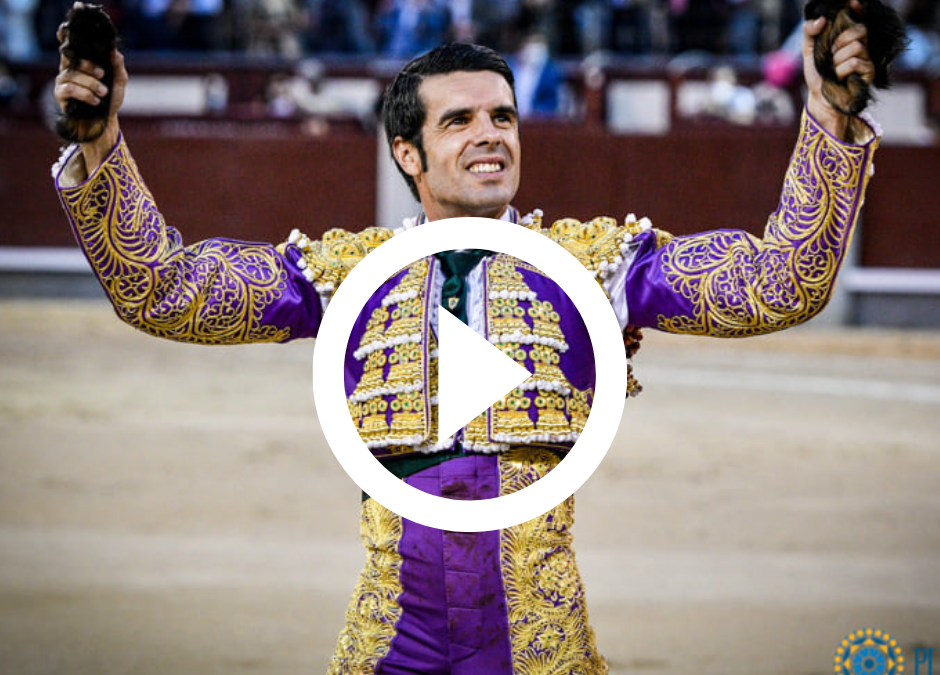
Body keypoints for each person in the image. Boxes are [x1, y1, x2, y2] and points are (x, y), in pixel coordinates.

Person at [51, 3, 879, 671]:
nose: (491, 133)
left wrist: (828, 117)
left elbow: (782, 281)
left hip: (538, 639)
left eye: (504, 116)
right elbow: (164, 290)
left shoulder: (598, 266)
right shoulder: (347, 275)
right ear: (408, 152)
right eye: (460, 122)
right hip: (389, 640)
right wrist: (102, 144)